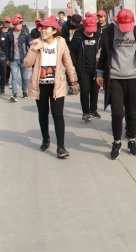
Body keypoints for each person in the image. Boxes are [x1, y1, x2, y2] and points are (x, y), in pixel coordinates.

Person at [96, 9, 136, 160]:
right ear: (117, 21)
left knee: (132, 112)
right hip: (115, 77)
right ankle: (116, 142)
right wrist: (99, 73)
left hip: (133, 77)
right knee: (117, 112)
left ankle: (131, 141)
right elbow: (104, 53)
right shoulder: (109, 31)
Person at [24, 17, 78, 159]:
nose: (43, 31)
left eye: (46, 28)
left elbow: (68, 63)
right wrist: (34, 50)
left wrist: (73, 81)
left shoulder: (61, 43)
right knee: (43, 114)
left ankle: (61, 146)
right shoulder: (36, 43)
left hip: (57, 85)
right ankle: (45, 139)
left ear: (54, 30)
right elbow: (27, 64)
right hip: (40, 86)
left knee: (58, 114)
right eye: (41, 28)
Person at [73, 16, 102, 121]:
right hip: (83, 68)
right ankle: (85, 112)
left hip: (95, 68)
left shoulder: (98, 36)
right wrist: (75, 64)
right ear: (85, 26)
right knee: (85, 90)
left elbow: (102, 50)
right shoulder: (78, 36)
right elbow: (72, 51)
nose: (90, 32)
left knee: (95, 90)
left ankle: (93, 110)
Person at [7, 17, 32, 102]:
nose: (20, 25)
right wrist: (8, 59)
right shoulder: (10, 34)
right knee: (14, 77)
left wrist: (30, 57)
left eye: (21, 24)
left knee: (24, 77)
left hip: (23, 59)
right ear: (14, 25)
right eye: (18, 24)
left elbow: (30, 45)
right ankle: (14, 93)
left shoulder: (25, 33)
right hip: (13, 59)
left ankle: (24, 91)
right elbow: (7, 47)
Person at [63, 14, 83, 95]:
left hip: (79, 50)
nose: (76, 25)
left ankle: (79, 84)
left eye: (78, 23)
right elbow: (63, 39)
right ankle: (70, 85)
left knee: (80, 67)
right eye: (75, 23)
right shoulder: (65, 27)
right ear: (71, 21)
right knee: (70, 67)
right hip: (70, 50)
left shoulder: (81, 26)